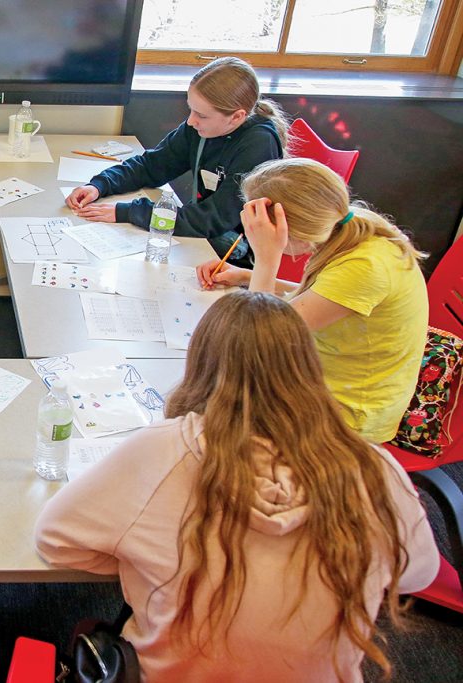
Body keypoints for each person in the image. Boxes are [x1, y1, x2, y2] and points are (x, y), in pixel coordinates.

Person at [35, 290, 439, 682]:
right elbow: (418, 574)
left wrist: (138, 559)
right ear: (308, 368)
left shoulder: (165, 450)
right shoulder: (375, 468)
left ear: (200, 364)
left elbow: (54, 538)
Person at [197, 157, 427, 443]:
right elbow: (326, 293)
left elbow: (259, 341)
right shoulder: (347, 223)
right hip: (322, 368)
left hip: (350, 412)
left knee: (217, 397)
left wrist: (267, 259)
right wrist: (247, 275)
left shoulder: (366, 267)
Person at [65, 57, 287, 263]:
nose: (191, 121)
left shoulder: (258, 146)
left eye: (201, 115)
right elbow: (152, 166)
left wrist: (126, 212)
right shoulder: (201, 127)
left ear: (237, 117)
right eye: (191, 110)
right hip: (201, 237)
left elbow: (211, 218)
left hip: (233, 256)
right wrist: (100, 185)